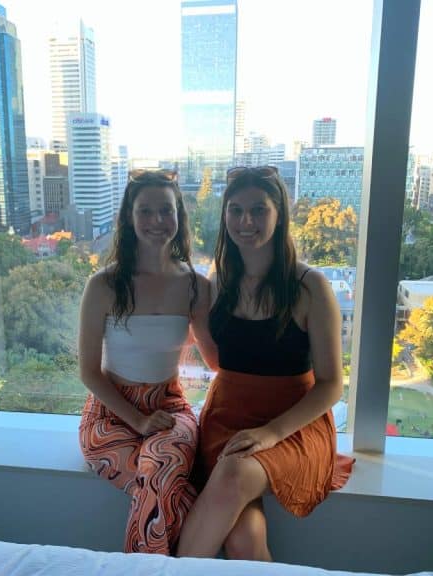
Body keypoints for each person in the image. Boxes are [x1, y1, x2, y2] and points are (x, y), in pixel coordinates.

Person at [177, 166, 354, 560]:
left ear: (279, 214)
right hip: (228, 416)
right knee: (242, 537)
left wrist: (272, 432)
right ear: (224, 216)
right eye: (236, 210)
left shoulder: (310, 287)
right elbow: (219, 360)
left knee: (235, 472)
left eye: (259, 210)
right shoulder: (218, 280)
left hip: (293, 424)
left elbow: (330, 384)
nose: (246, 221)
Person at [78, 169, 218, 555]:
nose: (157, 221)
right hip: (109, 415)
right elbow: (89, 371)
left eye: (166, 210)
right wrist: (137, 419)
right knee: (172, 491)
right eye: (145, 211)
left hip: (171, 408)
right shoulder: (103, 285)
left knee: (161, 468)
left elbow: (215, 360)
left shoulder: (195, 285)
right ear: (128, 217)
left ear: (179, 216)